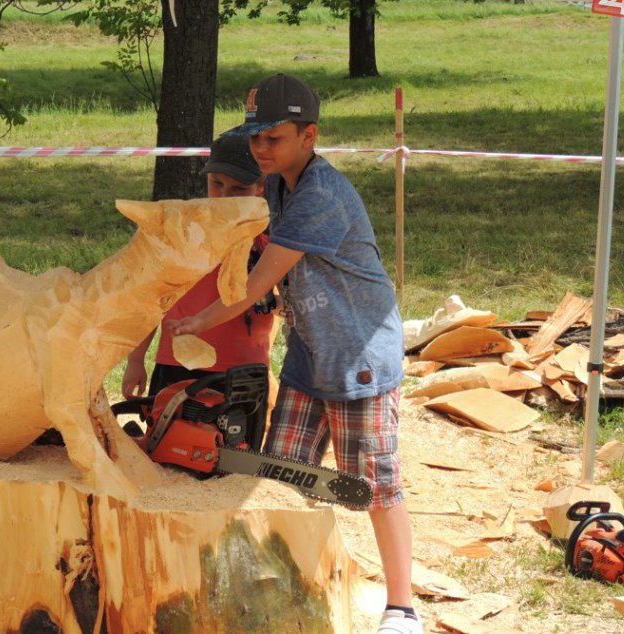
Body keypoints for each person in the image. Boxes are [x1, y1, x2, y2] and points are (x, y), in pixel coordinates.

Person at [167, 74, 419, 634]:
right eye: (255, 137)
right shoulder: (277, 183)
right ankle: (287, 586)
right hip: (309, 348)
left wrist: (196, 322)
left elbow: (258, 284)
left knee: (375, 484)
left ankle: (403, 606)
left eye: (273, 138)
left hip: (358, 353)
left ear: (309, 136)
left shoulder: (319, 196)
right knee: (282, 474)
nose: (261, 149)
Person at [120, 130, 276, 442]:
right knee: (169, 457)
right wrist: (136, 359)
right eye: (217, 183)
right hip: (176, 365)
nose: (224, 195)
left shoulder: (271, 236)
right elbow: (153, 296)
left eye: (239, 188)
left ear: (260, 187)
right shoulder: (181, 229)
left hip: (244, 371)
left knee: (233, 464)